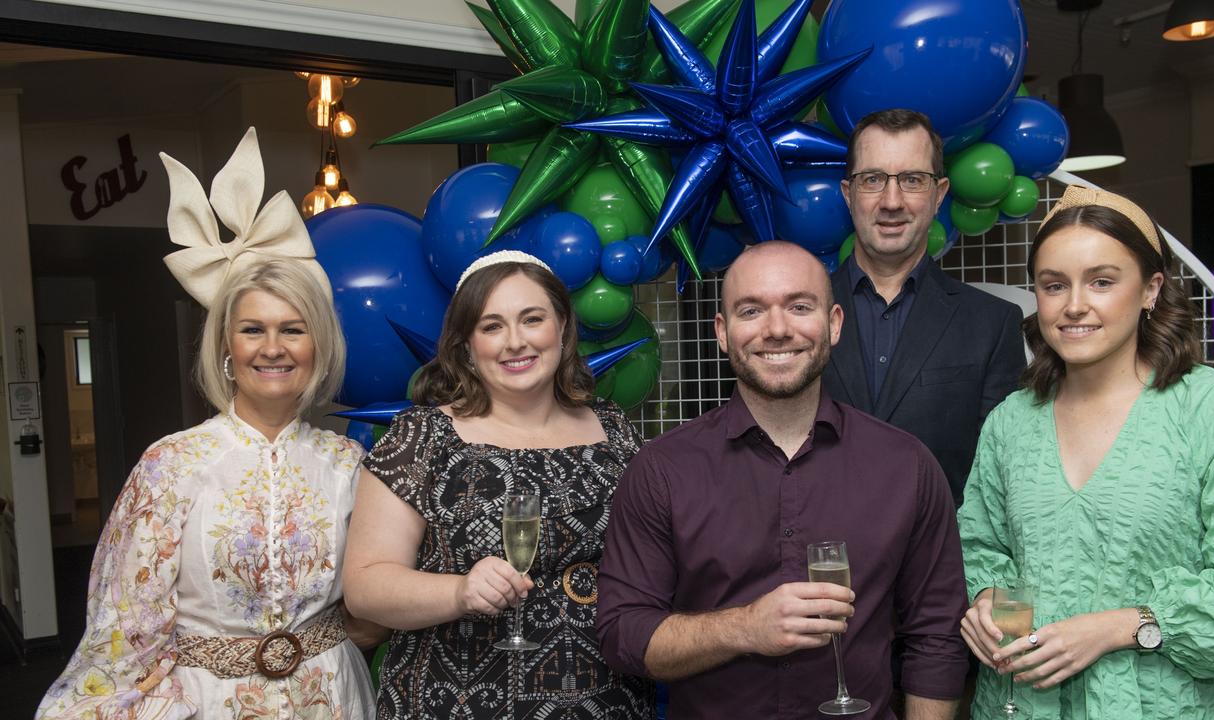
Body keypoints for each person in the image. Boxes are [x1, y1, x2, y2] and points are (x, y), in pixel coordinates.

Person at [38, 129, 383, 718]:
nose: (272, 348)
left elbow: (375, 600)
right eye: (253, 329)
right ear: (226, 346)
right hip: (208, 704)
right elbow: (127, 624)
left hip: (333, 697)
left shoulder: (349, 462)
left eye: (292, 329)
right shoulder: (172, 463)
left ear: (318, 346)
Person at [597, 241, 970, 719]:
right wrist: (745, 628)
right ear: (723, 333)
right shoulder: (662, 469)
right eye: (751, 310)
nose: (777, 330)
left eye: (799, 306)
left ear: (833, 324)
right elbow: (623, 635)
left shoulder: (906, 465)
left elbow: (936, 635)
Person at [958, 186, 1214, 719]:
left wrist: (1121, 626)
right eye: (1053, 285)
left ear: (1151, 289)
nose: (1074, 305)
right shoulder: (1010, 423)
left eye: (1102, 281)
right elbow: (979, 546)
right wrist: (986, 599)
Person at [342, 251, 655, 719]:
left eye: (532, 319)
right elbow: (365, 587)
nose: (515, 342)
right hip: (453, 700)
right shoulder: (421, 437)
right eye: (491, 326)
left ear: (563, 329)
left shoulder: (613, 428)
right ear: (466, 344)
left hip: (608, 698)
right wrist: (459, 592)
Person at [823, 108, 1026, 504]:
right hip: (823, 562)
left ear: (939, 194)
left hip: (943, 559)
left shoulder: (993, 324)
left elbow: (1000, 479)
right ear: (849, 194)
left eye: (913, 180)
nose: (892, 201)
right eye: (873, 180)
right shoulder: (798, 317)